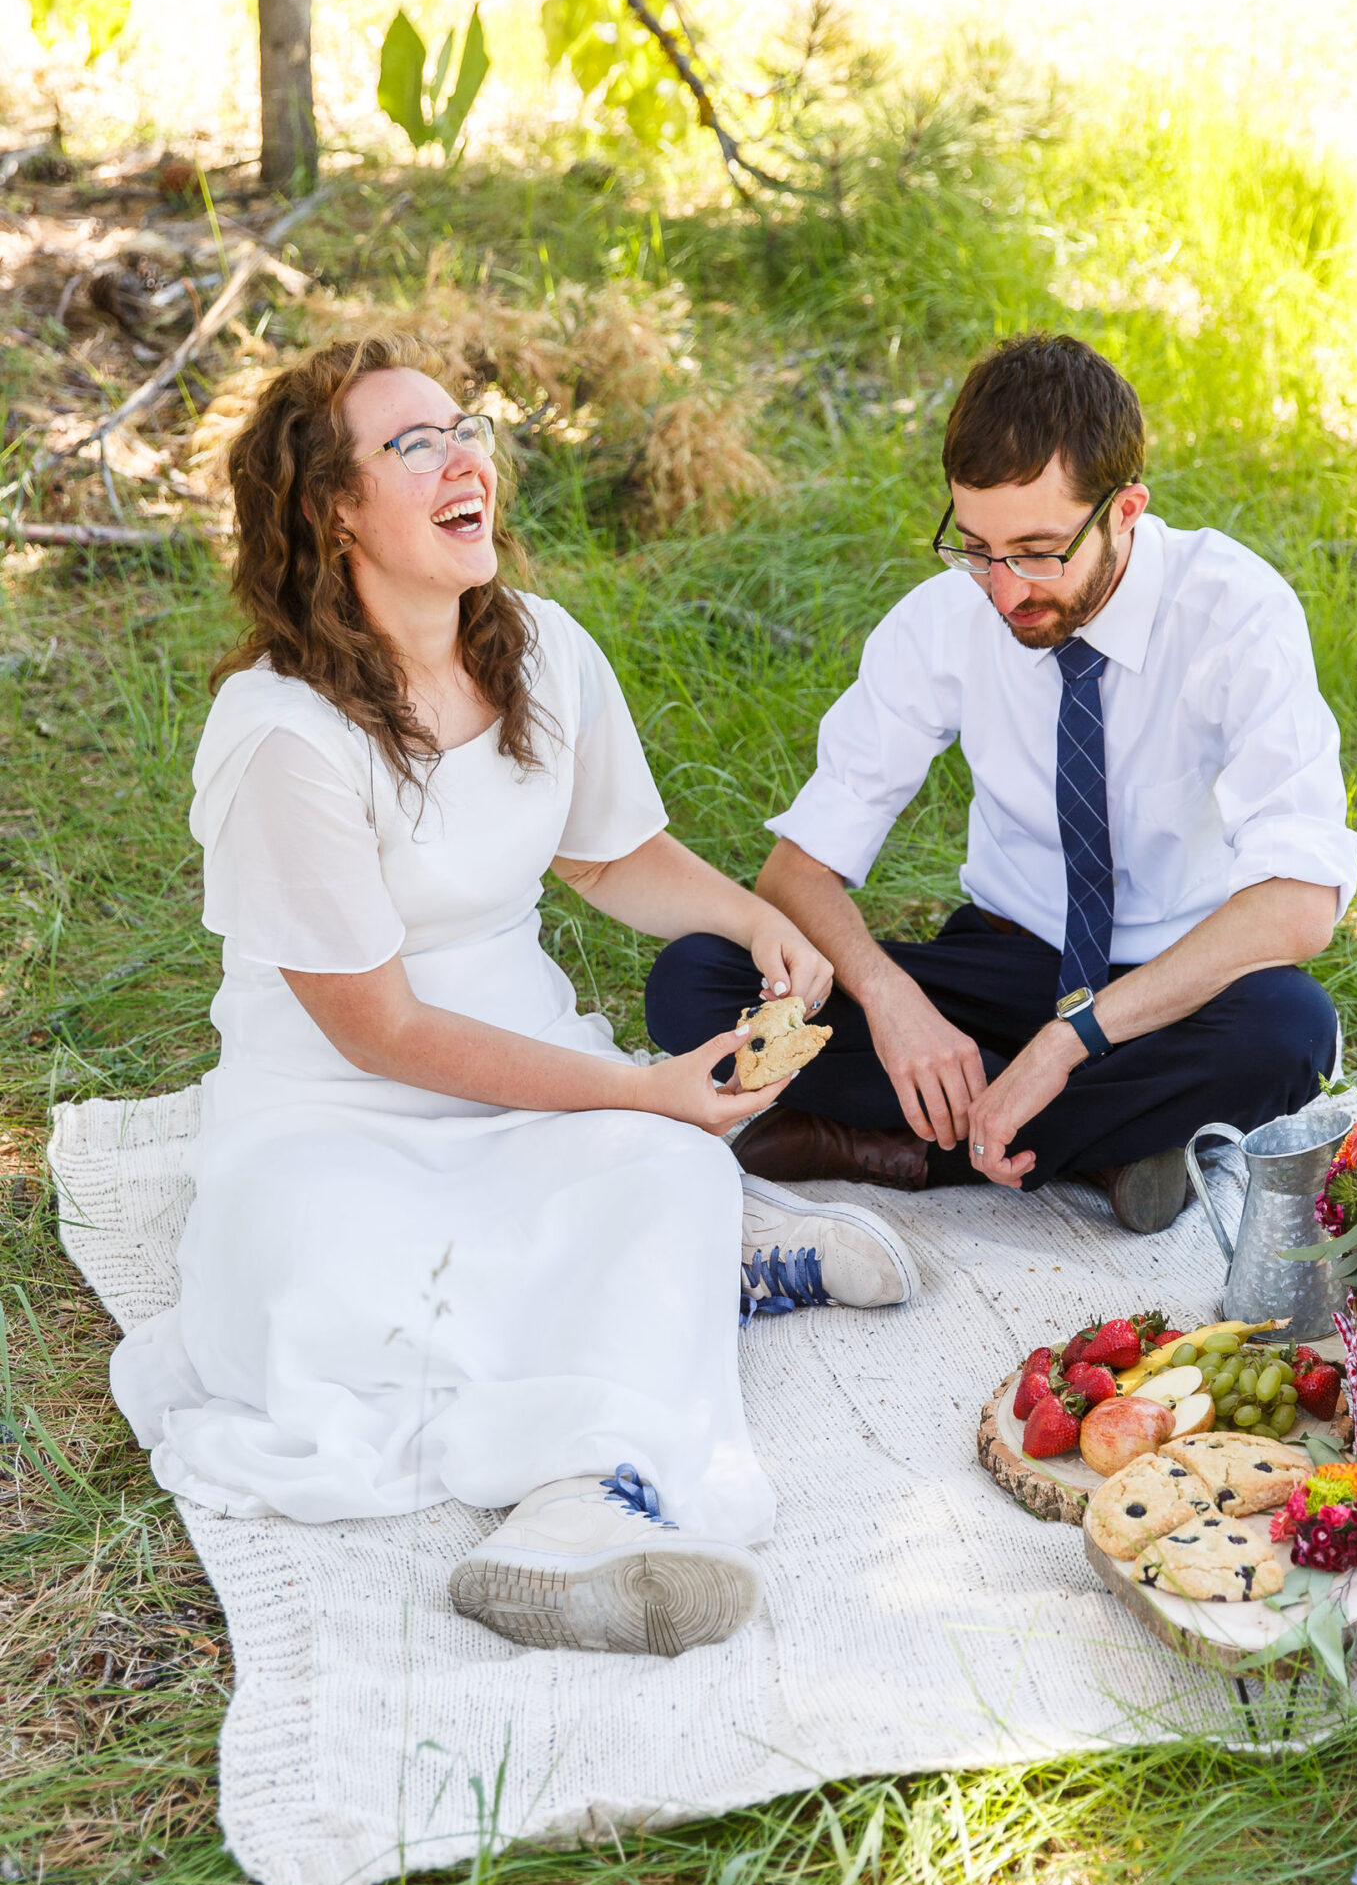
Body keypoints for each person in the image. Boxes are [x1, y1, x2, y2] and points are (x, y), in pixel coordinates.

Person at [109, 334, 919, 1660]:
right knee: (351, 1306)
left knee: (668, 1176)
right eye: (411, 444)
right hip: (335, 1109)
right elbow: (379, 1026)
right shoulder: (281, 737)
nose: (461, 457)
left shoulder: (542, 649)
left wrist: (746, 911)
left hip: (525, 1060)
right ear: (332, 512)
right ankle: (671, 1343)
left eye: (463, 427)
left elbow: (604, 854)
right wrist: (635, 1092)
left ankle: (588, 1498)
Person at [646, 333, 1357, 1231]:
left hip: (1170, 984)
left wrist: (1073, 1040)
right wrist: (892, 1001)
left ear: (1125, 509)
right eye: (976, 548)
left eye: (1036, 551)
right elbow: (797, 873)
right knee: (695, 983)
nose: (1004, 591)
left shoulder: (1235, 612)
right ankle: (1108, 1148)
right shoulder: (945, 618)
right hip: (1005, 959)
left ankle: (888, 1146)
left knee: (1289, 1031)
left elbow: (1297, 905)